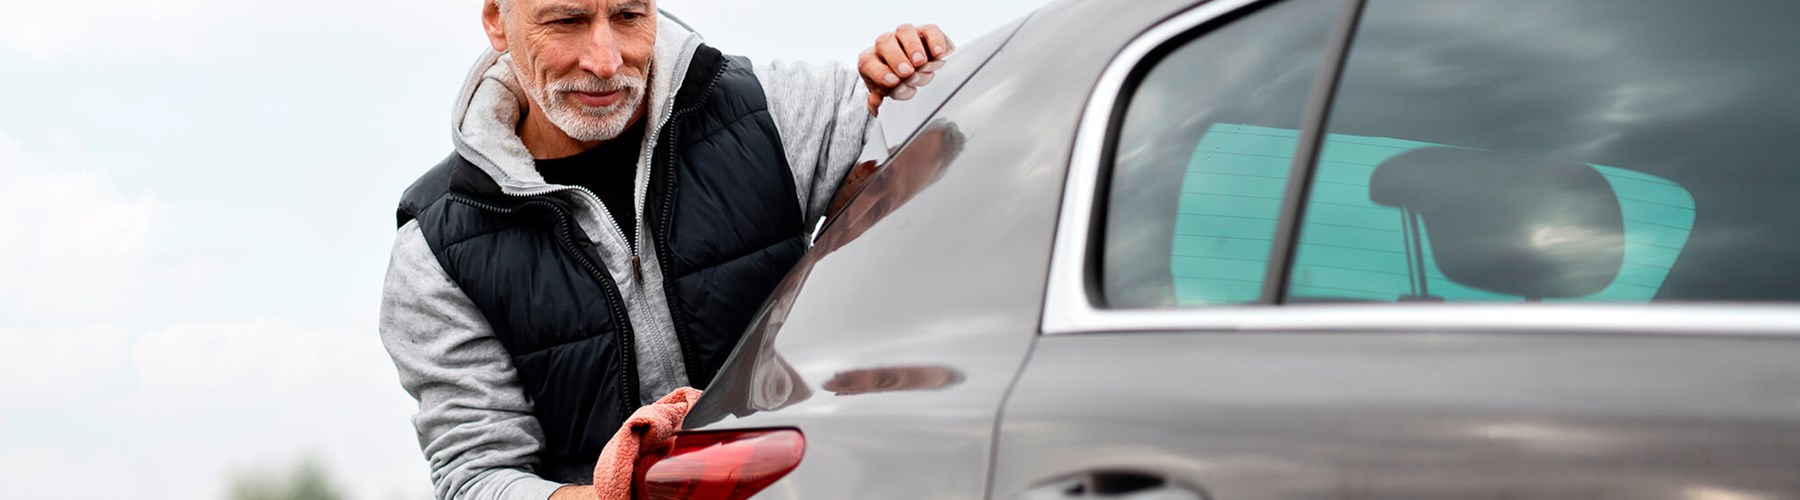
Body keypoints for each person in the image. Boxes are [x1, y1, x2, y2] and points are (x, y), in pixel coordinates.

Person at [377, 0, 952, 498]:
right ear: (497, 21)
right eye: (567, 20)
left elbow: (961, 167)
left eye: (629, 15)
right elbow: (477, 478)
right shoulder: (436, 250)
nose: (605, 61)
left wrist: (925, 82)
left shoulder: (775, 114)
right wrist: (618, 497)